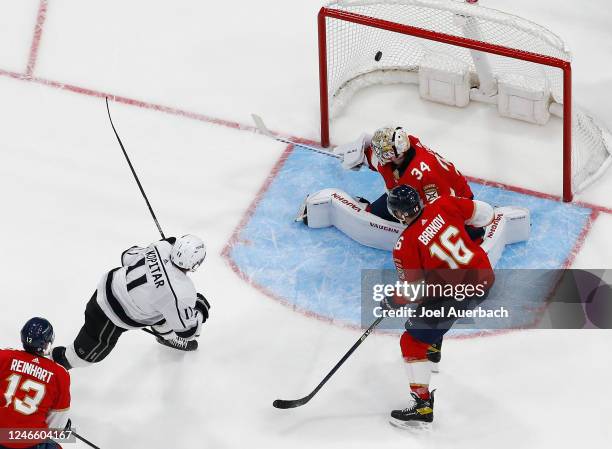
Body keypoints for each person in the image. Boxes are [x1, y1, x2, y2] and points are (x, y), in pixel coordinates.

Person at [381, 185, 495, 428]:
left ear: (399, 214)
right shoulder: (443, 203)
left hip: (455, 295)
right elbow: (486, 214)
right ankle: (432, 350)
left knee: (410, 341)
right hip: (484, 278)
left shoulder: (404, 245)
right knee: (428, 306)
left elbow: (413, 290)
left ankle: (422, 407)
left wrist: (392, 299)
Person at [296, 126, 486, 250]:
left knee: (429, 230)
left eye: (383, 153)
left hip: (453, 199)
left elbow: (441, 206)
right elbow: (380, 156)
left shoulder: (423, 174)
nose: (380, 155)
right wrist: (359, 154)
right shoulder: (403, 148)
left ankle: (467, 230)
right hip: (418, 192)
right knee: (372, 213)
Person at [52, 235, 211, 370]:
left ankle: (166, 336)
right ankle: (57, 362)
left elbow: (126, 256)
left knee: (166, 308)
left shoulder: (161, 246)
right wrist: (199, 311)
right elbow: (188, 332)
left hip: (110, 284)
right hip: (111, 315)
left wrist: (155, 253)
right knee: (86, 354)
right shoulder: (183, 292)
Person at [0, 318, 70, 449]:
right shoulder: (60, 374)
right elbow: (56, 427)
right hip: (30, 442)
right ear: (47, 342)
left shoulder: (3, 356)